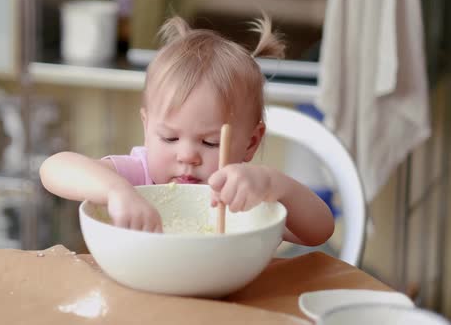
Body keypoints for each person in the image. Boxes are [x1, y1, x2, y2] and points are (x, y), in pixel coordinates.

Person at [40, 14, 334, 246]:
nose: (187, 155)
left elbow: (318, 232)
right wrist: (117, 192)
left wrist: (274, 184)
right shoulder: (135, 178)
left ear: (250, 143)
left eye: (210, 142)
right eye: (169, 137)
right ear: (147, 127)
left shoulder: (241, 194)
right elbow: (53, 168)